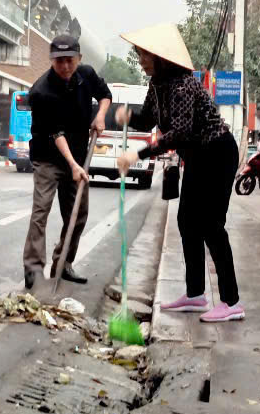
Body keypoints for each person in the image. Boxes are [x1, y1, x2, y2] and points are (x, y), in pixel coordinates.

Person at [115, 24, 244, 323]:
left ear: (159, 57)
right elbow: (148, 118)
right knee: (187, 222)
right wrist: (128, 116)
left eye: (143, 55)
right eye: (138, 55)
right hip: (197, 158)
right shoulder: (156, 85)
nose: (140, 61)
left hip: (217, 153)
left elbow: (180, 133)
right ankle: (196, 294)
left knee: (212, 225)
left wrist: (138, 154)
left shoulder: (184, 84)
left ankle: (231, 301)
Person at [22, 35, 112, 289]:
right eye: (59, 61)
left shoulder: (86, 75)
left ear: (79, 59)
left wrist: (101, 116)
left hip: (78, 155)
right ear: (51, 60)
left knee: (78, 213)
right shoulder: (41, 92)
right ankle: (32, 267)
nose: (65, 66)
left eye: (69, 60)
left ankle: (63, 263)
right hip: (48, 157)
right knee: (41, 211)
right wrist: (73, 165)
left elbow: (105, 95)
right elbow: (55, 133)